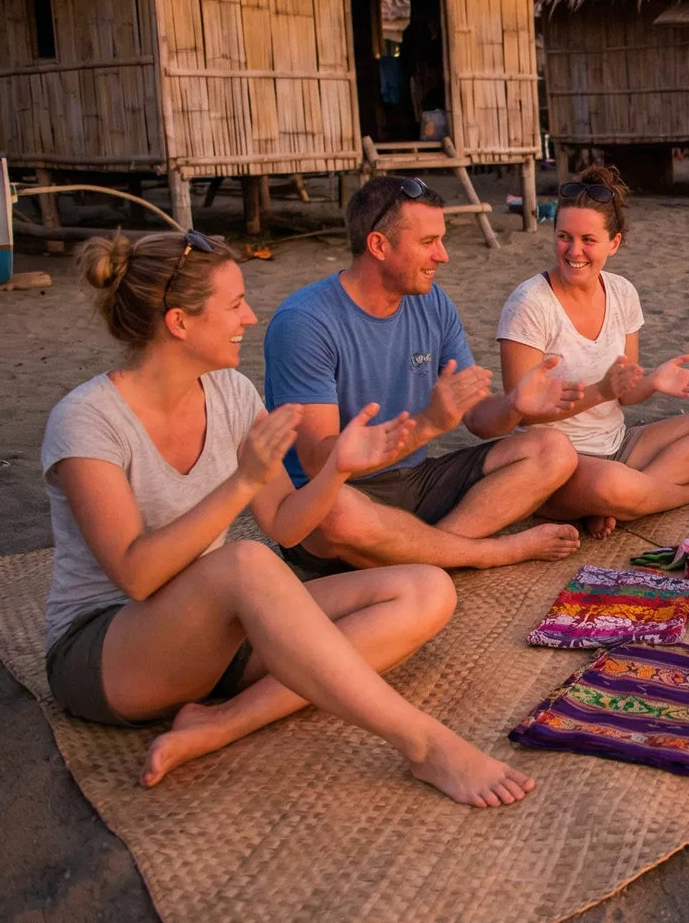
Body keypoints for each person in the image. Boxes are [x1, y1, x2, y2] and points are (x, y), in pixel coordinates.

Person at [43, 231, 534, 806]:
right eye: (234, 305)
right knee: (244, 564)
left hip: (215, 640)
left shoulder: (229, 392)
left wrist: (337, 472)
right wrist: (242, 482)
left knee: (426, 589)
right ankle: (424, 744)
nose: (249, 317)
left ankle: (224, 721)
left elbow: (283, 523)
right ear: (179, 322)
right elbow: (136, 575)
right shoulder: (87, 420)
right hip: (110, 654)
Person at [264, 176, 585, 575]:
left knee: (554, 450)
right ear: (378, 245)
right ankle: (488, 553)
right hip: (340, 494)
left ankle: (425, 554)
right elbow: (316, 463)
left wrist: (513, 406)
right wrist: (428, 425)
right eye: (428, 242)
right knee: (336, 515)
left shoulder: (432, 302)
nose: (443, 255)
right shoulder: (305, 322)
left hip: (416, 482)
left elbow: (477, 420)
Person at [497, 166, 689, 538]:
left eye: (588, 239)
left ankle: (624, 501)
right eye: (564, 236)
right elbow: (524, 415)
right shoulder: (529, 304)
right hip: (554, 463)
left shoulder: (622, 293)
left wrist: (653, 382)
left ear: (614, 243)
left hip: (618, 446)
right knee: (613, 486)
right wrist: (600, 390)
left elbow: (625, 394)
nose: (574, 251)